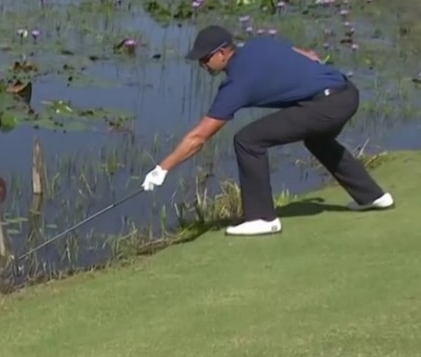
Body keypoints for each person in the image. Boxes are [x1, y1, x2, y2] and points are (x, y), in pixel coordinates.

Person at [140, 25, 394, 236]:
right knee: (317, 141)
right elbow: (307, 54)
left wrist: (163, 168)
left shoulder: (237, 84)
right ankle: (372, 196)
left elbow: (199, 137)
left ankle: (263, 218)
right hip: (347, 93)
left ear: (223, 53)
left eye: (205, 58)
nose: (202, 64)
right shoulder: (257, 45)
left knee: (247, 140)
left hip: (327, 104)